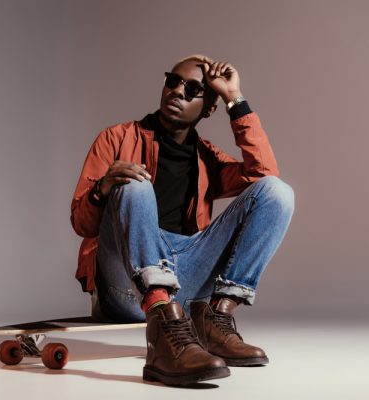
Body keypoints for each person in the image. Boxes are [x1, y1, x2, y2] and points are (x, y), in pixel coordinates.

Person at [69, 54, 295, 387]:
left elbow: (263, 173)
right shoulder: (116, 138)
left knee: (278, 192)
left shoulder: (207, 157)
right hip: (126, 283)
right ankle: (161, 330)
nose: (177, 92)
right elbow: (82, 224)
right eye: (173, 81)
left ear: (209, 109)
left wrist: (234, 99)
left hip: (183, 280)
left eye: (192, 90)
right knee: (134, 184)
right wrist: (103, 189)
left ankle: (216, 318)